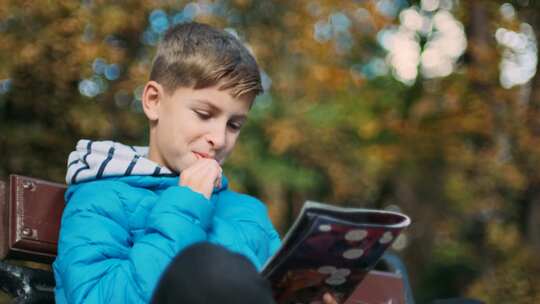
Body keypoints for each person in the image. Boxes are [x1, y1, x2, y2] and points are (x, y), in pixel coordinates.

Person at [53, 22, 338, 304]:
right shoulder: (99, 199)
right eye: (204, 114)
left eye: (234, 125)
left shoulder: (249, 214)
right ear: (153, 101)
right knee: (213, 269)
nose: (219, 138)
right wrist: (185, 207)